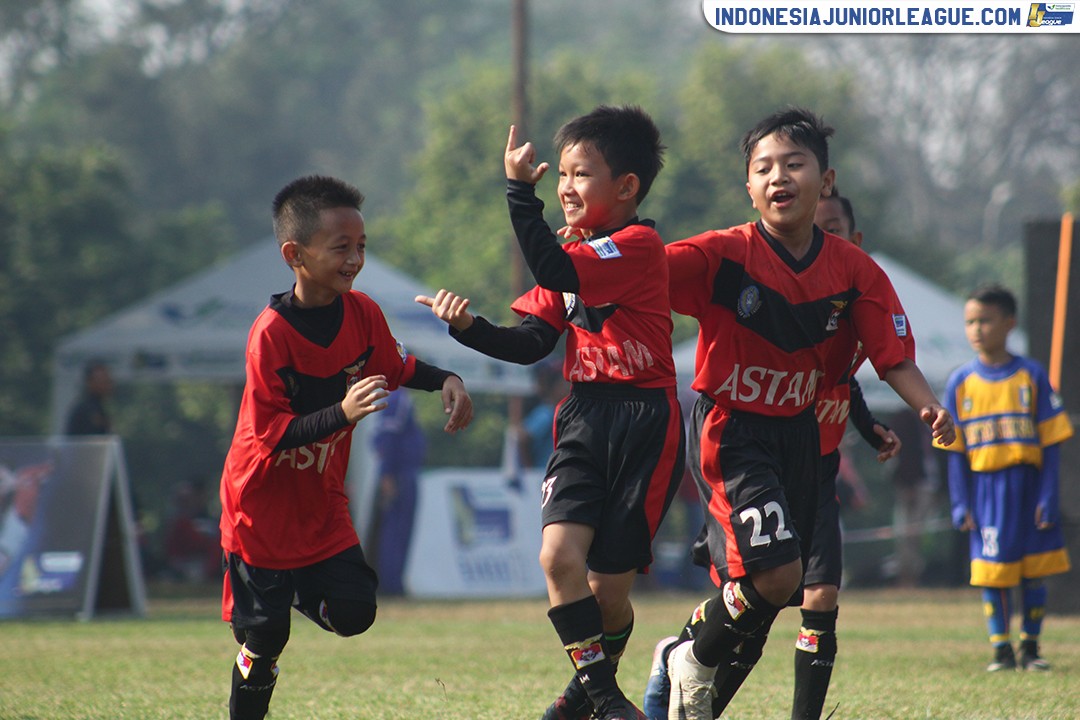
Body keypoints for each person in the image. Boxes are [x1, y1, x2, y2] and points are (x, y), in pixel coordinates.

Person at [644, 108, 955, 720]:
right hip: (731, 429)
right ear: (750, 187)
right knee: (782, 577)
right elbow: (639, 272)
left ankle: (686, 661)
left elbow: (892, 358)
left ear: (826, 180)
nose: (778, 176)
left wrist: (929, 407)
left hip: (804, 440)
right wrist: (580, 257)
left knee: (768, 594)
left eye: (793, 163)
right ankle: (689, 662)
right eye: (763, 168)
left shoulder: (855, 272)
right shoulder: (720, 254)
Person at [417, 105, 684, 720]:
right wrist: (467, 327)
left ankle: (575, 701)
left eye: (579, 173)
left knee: (609, 594)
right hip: (585, 416)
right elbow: (530, 344)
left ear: (626, 187)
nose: (563, 185)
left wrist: (518, 193)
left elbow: (556, 269)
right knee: (558, 559)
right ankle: (605, 701)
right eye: (559, 173)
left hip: (647, 423)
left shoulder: (640, 246)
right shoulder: (571, 257)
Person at [218, 174, 474, 720]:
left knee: (356, 612)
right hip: (258, 508)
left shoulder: (363, 313)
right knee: (265, 643)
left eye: (361, 246)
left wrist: (446, 378)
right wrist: (343, 413)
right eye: (341, 247)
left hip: (320, 502)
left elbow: (398, 366)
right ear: (295, 254)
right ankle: (263, 632)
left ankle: (286, 594)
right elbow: (271, 435)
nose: (355, 258)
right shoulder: (271, 333)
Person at [938, 283, 1073, 672]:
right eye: (970, 321)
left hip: (1028, 487)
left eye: (985, 320)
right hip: (986, 492)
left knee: (1034, 570)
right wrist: (961, 501)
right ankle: (1001, 650)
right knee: (992, 574)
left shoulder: (1031, 375)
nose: (977, 329)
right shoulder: (960, 382)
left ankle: (1031, 648)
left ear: (1009, 323)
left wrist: (1049, 495)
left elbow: (1051, 445)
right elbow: (955, 454)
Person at [368, 389, 426, 596]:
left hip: (402, 472)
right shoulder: (397, 398)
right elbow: (388, 438)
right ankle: (391, 585)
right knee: (395, 530)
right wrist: (387, 474)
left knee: (398, 530)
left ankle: (394, 582)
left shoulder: (397, 398)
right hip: (400, 473)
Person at [887, 406, 936, 587]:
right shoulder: (904, 419)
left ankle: (913, 575)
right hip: (912, 485)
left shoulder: (927, 420)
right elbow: (904, 453)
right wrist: (908, 484)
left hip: (925, 483)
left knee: (916, 534)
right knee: (907, 533)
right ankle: (906, 576)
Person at [65, 360, 114, 435]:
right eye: (101, 381)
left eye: (107, 381)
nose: (106, 385)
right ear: (89, 382)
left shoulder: (100, 409)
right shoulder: (84, 410)